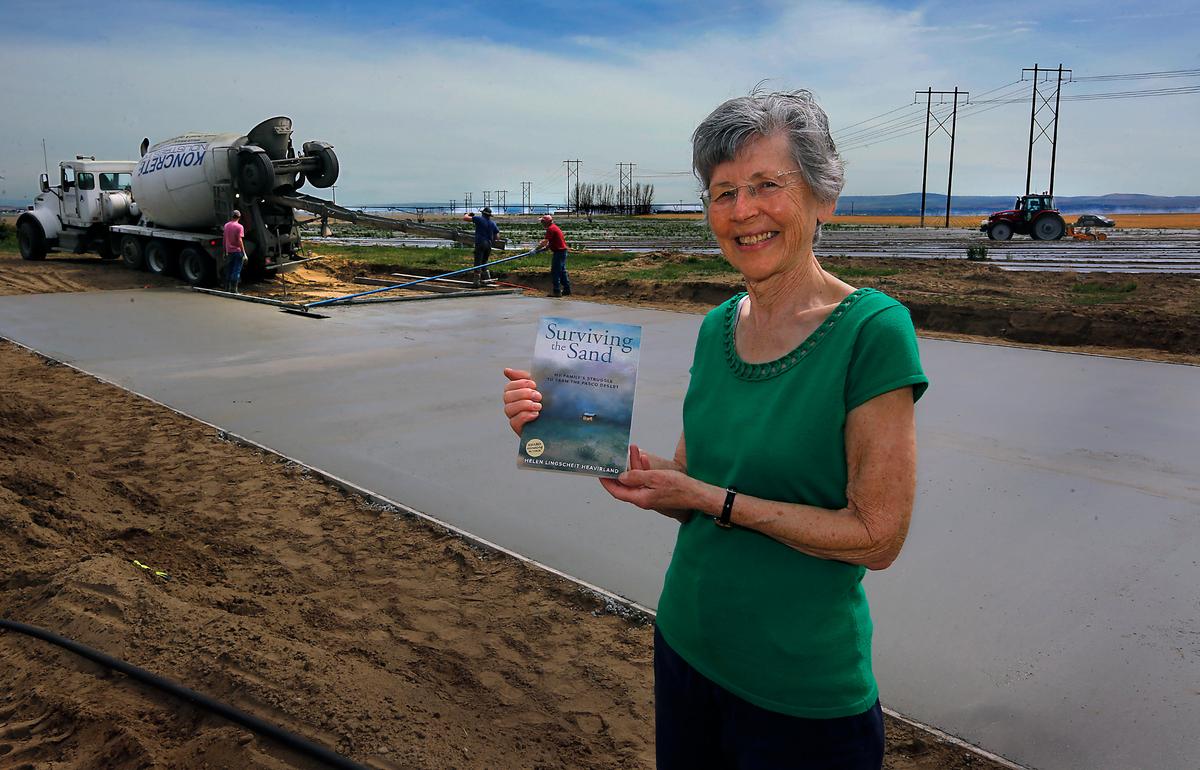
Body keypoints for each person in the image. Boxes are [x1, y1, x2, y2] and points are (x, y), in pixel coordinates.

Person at [502, 90, 928, 769]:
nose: (742, 211)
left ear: (823, 198)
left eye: (766, 185)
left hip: (799, 698)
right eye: (723, 192)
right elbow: (690, 490)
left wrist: (715, 501)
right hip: (685, 652)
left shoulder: (872, 332)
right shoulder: (716, 326)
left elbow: (877, 538)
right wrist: (573, 434)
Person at [463, 206, 500, 287]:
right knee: (484, 262)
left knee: (478, 262)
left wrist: (467, 214)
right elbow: (497, 237)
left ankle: (476, 282)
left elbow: (465, 218)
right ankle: (488, 279)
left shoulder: (479, 219)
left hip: (480, 243)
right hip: (489, 244)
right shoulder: (493, 223)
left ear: (483, 214)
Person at [536, 214, 571, 297]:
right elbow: (552, 242)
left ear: (547, 222)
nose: (542, 223)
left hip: (559, 252)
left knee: (555, 271)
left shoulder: (551, 229)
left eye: (543, 222)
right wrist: (546, 248)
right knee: (562, 272)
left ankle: (557, 291)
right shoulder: (554, 227)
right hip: (562, 251)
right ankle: (567, 289)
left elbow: (545, 241)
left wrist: (536, 249)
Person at [222, 210, 246, 293]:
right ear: (239, 217)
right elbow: (240, 240)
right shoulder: (240, 227)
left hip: (229, 251)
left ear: (231, 216)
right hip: (237, 251)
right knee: (236, 270)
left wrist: (224, 251)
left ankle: (227, 288)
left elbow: (224, 239)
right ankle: (234, 289)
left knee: (229, 269)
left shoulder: (226, 226)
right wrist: (244, 253)